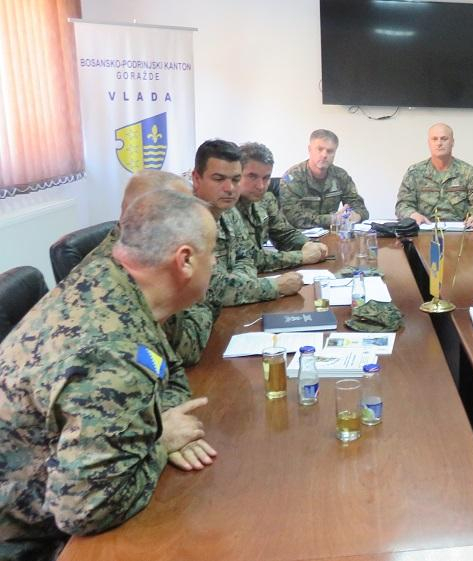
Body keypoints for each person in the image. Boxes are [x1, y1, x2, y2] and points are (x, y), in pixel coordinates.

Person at [0, 190, 218, 560]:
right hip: (30, 542)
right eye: (212, 252)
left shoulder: (112, 282)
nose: (215, 262)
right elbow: (85, 510)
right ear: (184, 260)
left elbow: (164, 367)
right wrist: (161, 440)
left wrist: (162, 416)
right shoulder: (110, 351)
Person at [81, 170, 215, 366]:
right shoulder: (130, 272)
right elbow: (185, 348)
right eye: (181, 212)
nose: (193, 221)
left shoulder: (146, 253)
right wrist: (206, 304)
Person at [192, 140, 303, 306]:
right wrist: (273, 286)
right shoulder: (185, 222)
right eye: (218, 179)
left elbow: (247, 257)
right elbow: (211, 290)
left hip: (231, 309)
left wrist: (239, 283)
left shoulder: (228, 211)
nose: (230, 188)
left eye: (236, 179)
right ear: (196, 178)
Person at [235, 142, 329, 272]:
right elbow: (248, 258)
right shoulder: (224, 207)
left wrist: (307, 244)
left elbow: (284, 234)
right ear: (236, 174)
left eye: (266, 177)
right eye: (252, 176)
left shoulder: (266, 199)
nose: (261, 185)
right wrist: (301, 257)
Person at [395, 123, 473, 230]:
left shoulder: (468, 172)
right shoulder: (414, 173)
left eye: (444, 139)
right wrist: (413, 215)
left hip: (461, 233)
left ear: (452, 142)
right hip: (423, 231)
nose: (439, 143)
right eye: (434, 139)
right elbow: (402, 205)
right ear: (429, 143)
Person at [279, 129, 369, 228]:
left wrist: (356, 216)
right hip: (298, 235)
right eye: (320, 149)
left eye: (330, 151)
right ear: (310, 149)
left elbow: (360, 207)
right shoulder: (292, 177)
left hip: (331, 233)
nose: (324, 155)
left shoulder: (340, 175)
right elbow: (292, 217)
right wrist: (332, 219)